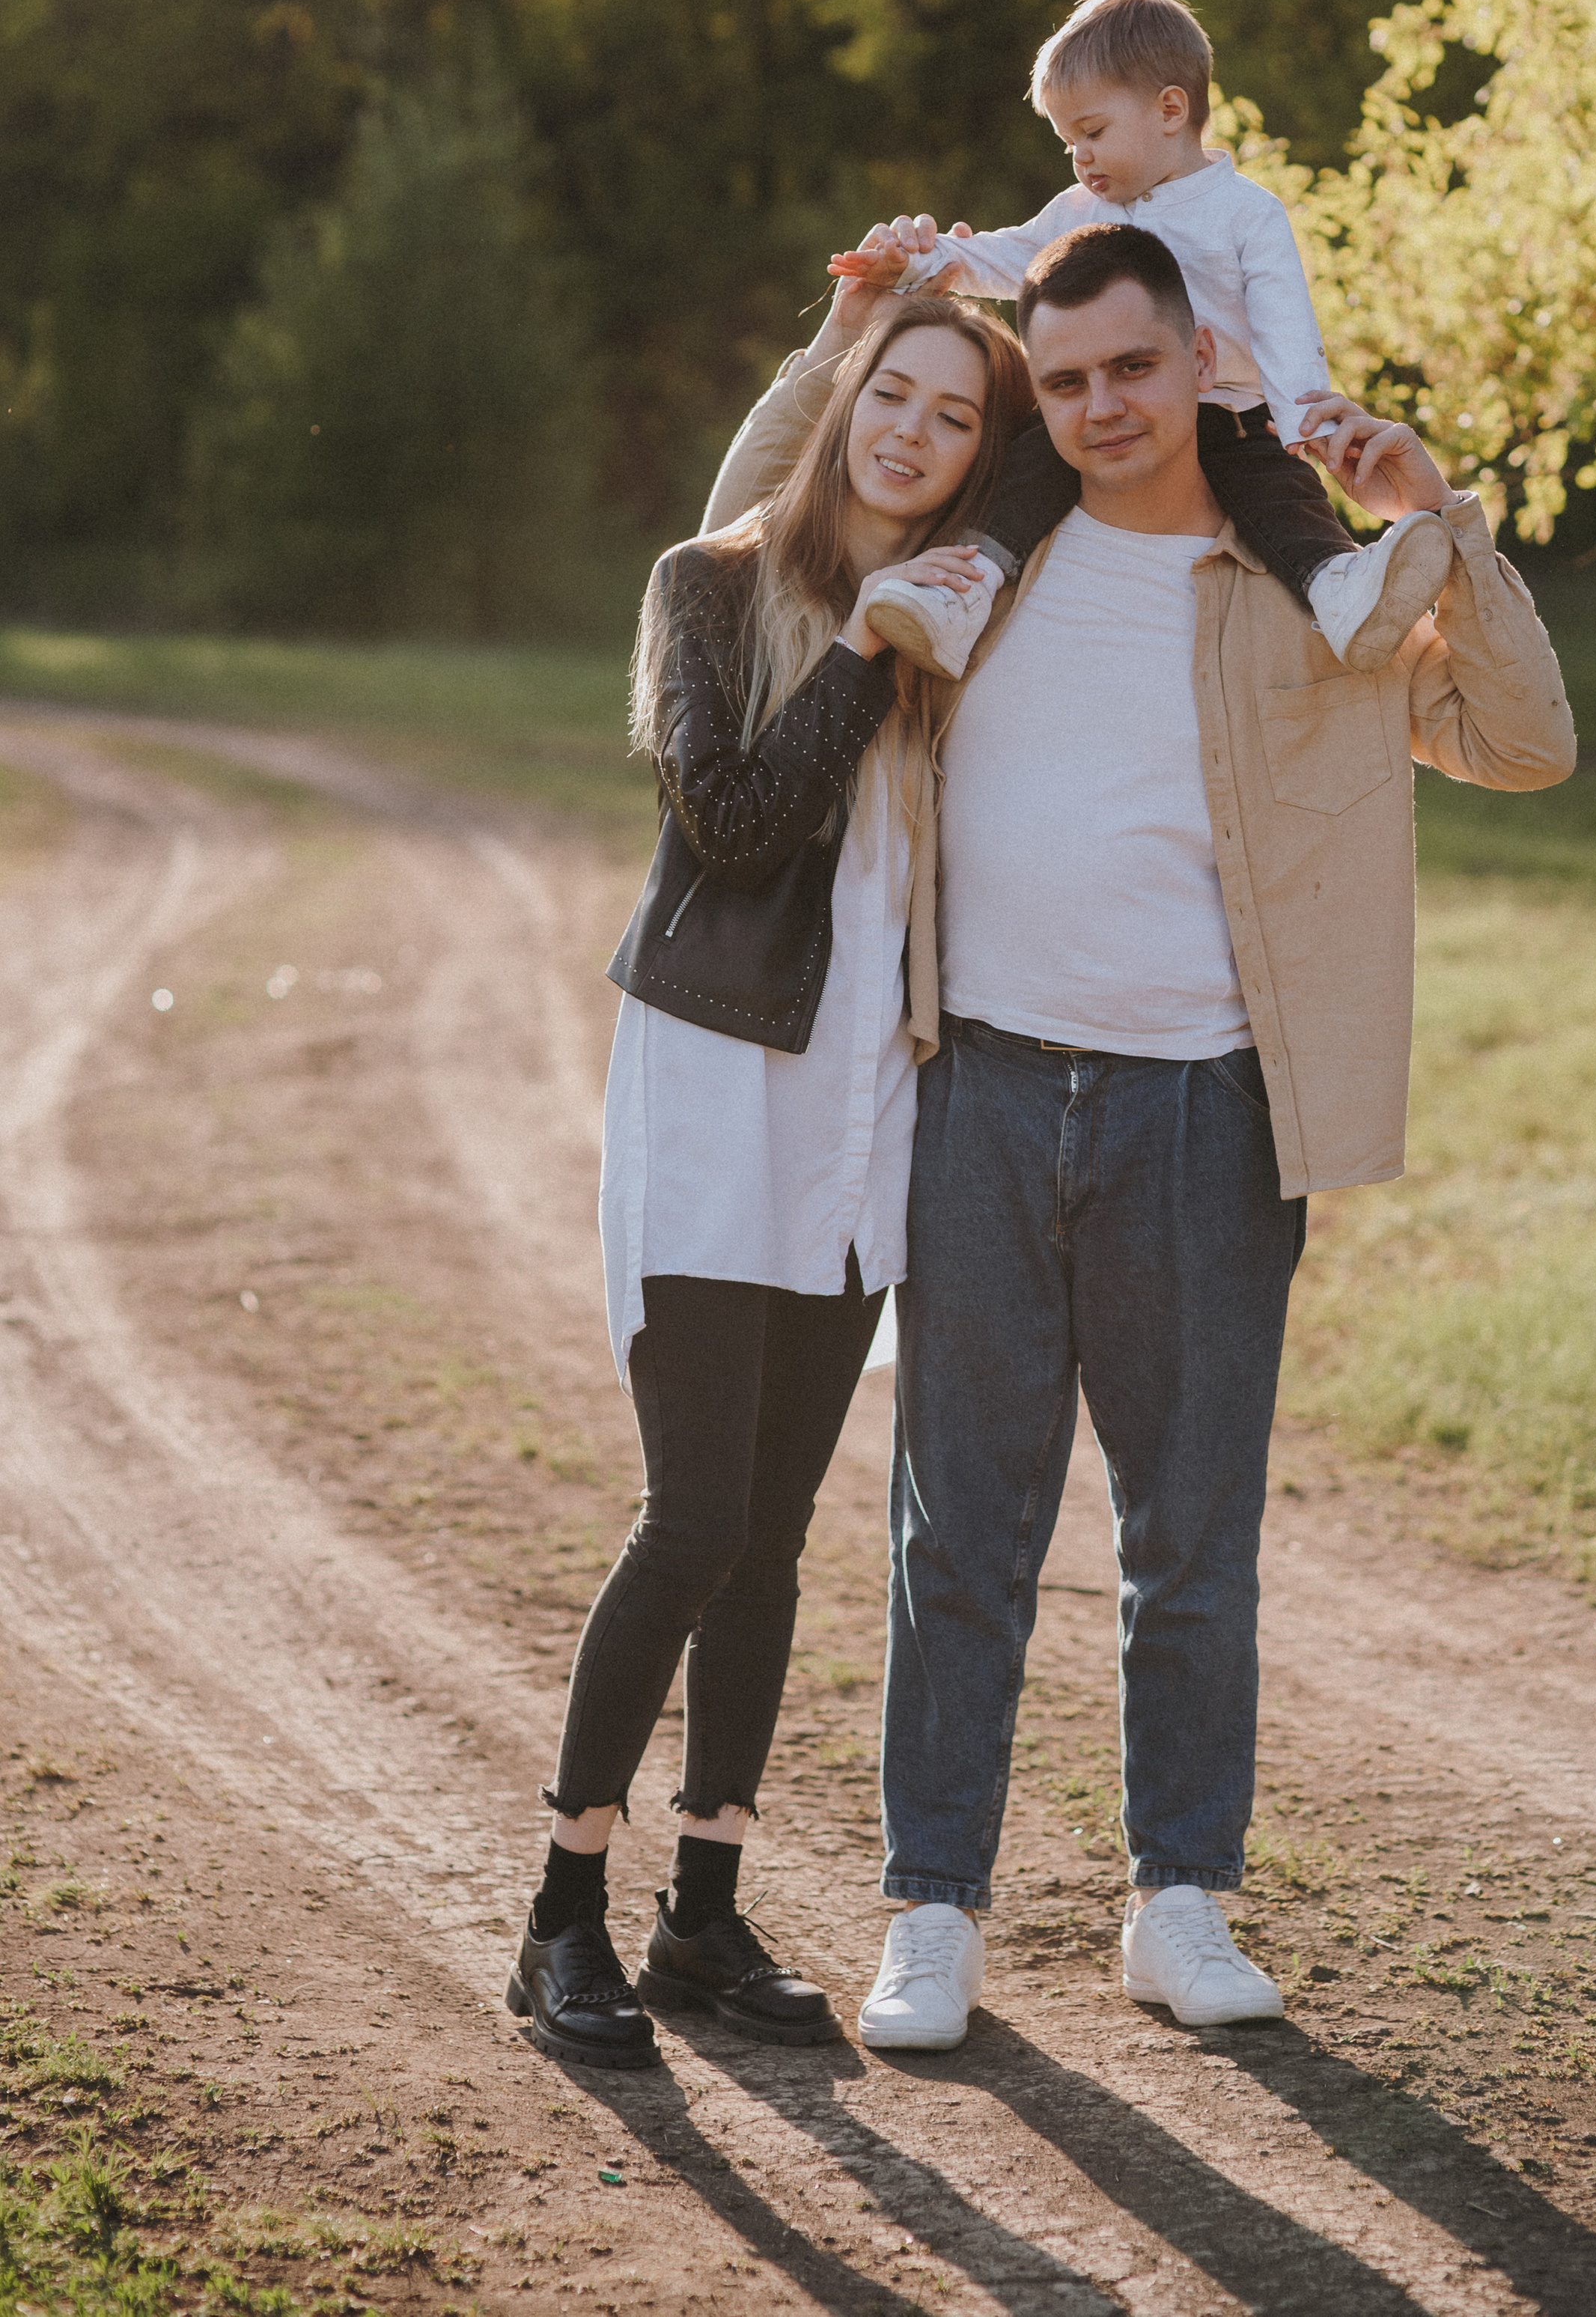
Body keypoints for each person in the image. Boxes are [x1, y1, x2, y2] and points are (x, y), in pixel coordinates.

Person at [847, 222, 1579, 2047]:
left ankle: (1177, 1897)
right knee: (959, 1530)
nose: (1099, 405)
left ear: (1194, 364)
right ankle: (930, 1905)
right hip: (986, 1091)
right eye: (1067, 374)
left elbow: (1521, 736)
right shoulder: (980, 564)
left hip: (1204, 1107)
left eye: (1130, 368)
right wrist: (855, 322)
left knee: (1191, 1535)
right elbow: (757, 521)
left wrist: (1444, 515)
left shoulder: (1302, 585)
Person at [506, 274, 1030, 2071]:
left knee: (779, 1533)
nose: (915, 431)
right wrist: (870, 643)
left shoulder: (968, 612)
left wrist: (1059, 262)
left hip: (859, 1112)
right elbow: (724, 820)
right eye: (895, 392)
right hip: (716, 1093)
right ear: (842, 399)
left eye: (955, 414)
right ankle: (560, 1909)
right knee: (694, 1513)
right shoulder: (708, 585)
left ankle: (703, 1915)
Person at [826, 0, 1454, 682]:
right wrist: (921, 260)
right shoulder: (1078, 211)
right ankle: (964, 597)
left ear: (1170, 110)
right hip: (1105, 411)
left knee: (1279, 495)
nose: (1079, 156)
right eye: (1067, 141)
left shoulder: (1244, 212)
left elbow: (1285, 325)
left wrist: (1306, 418)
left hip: (1232, 413)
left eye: (1092, 131)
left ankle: (1338, 593)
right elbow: (1010, 256)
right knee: (1029, 467)